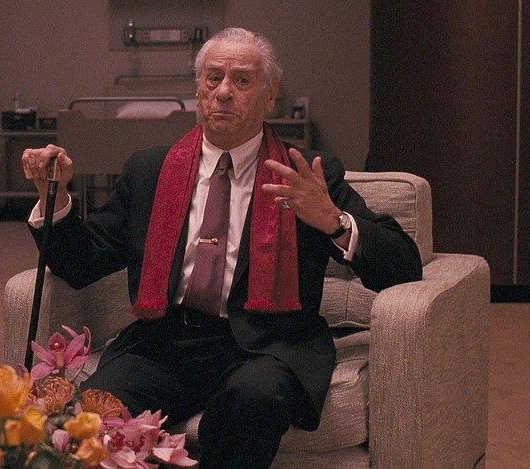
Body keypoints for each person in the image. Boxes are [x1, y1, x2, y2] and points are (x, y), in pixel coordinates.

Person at [23, 28, 422, 468]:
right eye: (214, 78)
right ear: (199, 90)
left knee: (255, 400)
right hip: (164, 341)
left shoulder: (304, 174)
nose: (224, 92)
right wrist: (52, 196)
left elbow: (402, 264)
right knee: (87, 418)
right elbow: (81, 263)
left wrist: (332, 221)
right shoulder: (150, 170)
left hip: (266, 345)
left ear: (270, 97)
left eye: (242, 80)